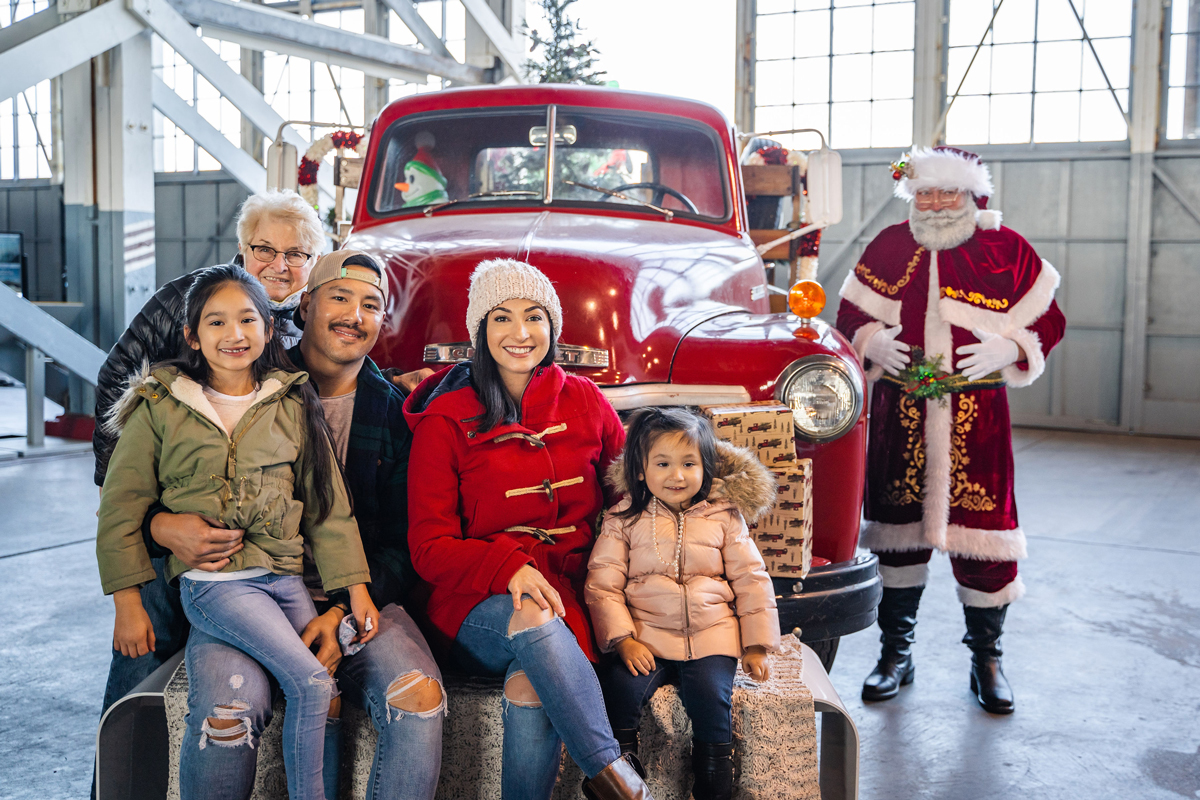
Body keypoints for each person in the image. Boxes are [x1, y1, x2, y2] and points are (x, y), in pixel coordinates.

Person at [91, 189, 430, 733]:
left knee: (298, 675)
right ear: (241, 249)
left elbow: (319, 410)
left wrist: (389, 385)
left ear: (313, 266)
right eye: (264, 248)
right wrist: (156, 523)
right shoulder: (188, 300)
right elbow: (119, 399)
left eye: (296, 254)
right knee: (143, 654)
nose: (280, 263)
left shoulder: (298, 326)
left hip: (259, 557)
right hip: (169, 520)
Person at [96, 265, 378, 800]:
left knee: (332, 694)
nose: (234, 335)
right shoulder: (159, 405)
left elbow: (326, 505)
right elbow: (119, 508)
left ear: (269, 330)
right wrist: (127, 602)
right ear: (192, 337)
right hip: (217, 585)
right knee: (311, 683)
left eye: (248, 320)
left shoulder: (291, 400)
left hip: (283, 579)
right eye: (216, 322)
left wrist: (355, 587)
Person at [175, 251, 445, 800]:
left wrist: (341, 611)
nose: (354, 315)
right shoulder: (242, 384)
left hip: (354, 599)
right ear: (304, 304)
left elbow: (401, 541)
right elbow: (167, 481)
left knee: (419, 700)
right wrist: (161, 525)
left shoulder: (397, 414)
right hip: (242, 593)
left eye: (371, 305)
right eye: (340, 297)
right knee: (229, 713)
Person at [403, 259, 654, 800]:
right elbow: (428, 549)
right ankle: (616, 778)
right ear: (479, 331)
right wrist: (508, 565)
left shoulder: (586, 401)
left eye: (535, 316)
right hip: (473, 602)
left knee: (533, 687)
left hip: (570, 593)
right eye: (502, 318)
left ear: (553, 326)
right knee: (534, 617)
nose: (520, 333)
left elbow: (625, 500)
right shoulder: (445, 420)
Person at [835, 146, 1066, 714]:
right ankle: (896, 654)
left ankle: (986, 660)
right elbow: (847, 318)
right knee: (896, 537)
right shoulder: (889, 245)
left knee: (986, 542)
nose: (936, 205)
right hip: (900, 416)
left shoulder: (1006, 250)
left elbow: (1051, 320)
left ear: (971, 195)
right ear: (913, 196)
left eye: (948, 193)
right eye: (927, 194)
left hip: (978, 420)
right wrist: (870, 342)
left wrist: (1011, 347)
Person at [585, 407, 780, 800]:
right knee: (619, 694)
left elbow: (751, 579)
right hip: (647, 635)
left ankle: (713, 783)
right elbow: (602, 584)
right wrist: (624, 640)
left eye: (689, 463)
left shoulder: (725, 517)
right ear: (641, 470)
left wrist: (756, 645)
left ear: (705, 468)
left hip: (711, 636)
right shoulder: (622, 519)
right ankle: (624, 781)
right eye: (663, 463)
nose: (677, 475)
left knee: (711, 700)